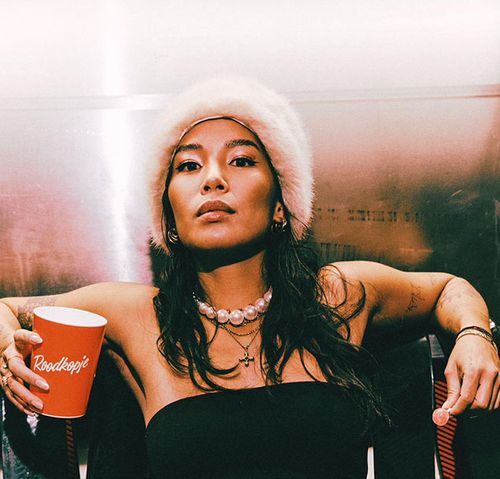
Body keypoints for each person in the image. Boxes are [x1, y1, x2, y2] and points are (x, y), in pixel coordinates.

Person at [0, 77, 498, 478]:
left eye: (240, 160)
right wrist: (6, 341)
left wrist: (475, 335)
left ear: (281, 205)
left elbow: (448, 288)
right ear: (168, 218)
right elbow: (6, 307)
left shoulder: (337, 296)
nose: (213, 178)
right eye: (188, 165)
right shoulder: (136, 314)